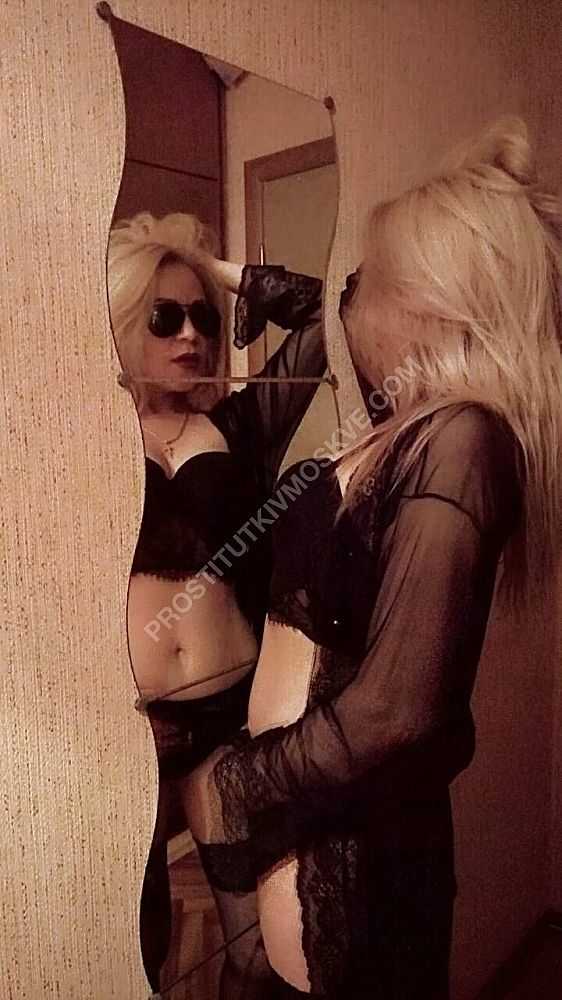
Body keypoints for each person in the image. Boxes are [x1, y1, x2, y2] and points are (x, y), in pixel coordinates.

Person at [181, 116, 562, 999]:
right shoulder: (404, 429)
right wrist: (221, 274)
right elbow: (323, 309)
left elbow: (398, 710)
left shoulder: (460, 437)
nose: (348, 306)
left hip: (359, 857)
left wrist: (234, 786)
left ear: (426, 303)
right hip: (313, 833)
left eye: (367, 284)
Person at [107, 211, 331, 994]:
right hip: (127, 724)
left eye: (204, 318)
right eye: (164, 317)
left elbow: (329, 311)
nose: (191, 336)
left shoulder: (241, 424)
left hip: (228, 717)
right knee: (135, 947)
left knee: (255, 944)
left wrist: (216, 271)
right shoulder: (81, 434)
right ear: (122, 324)